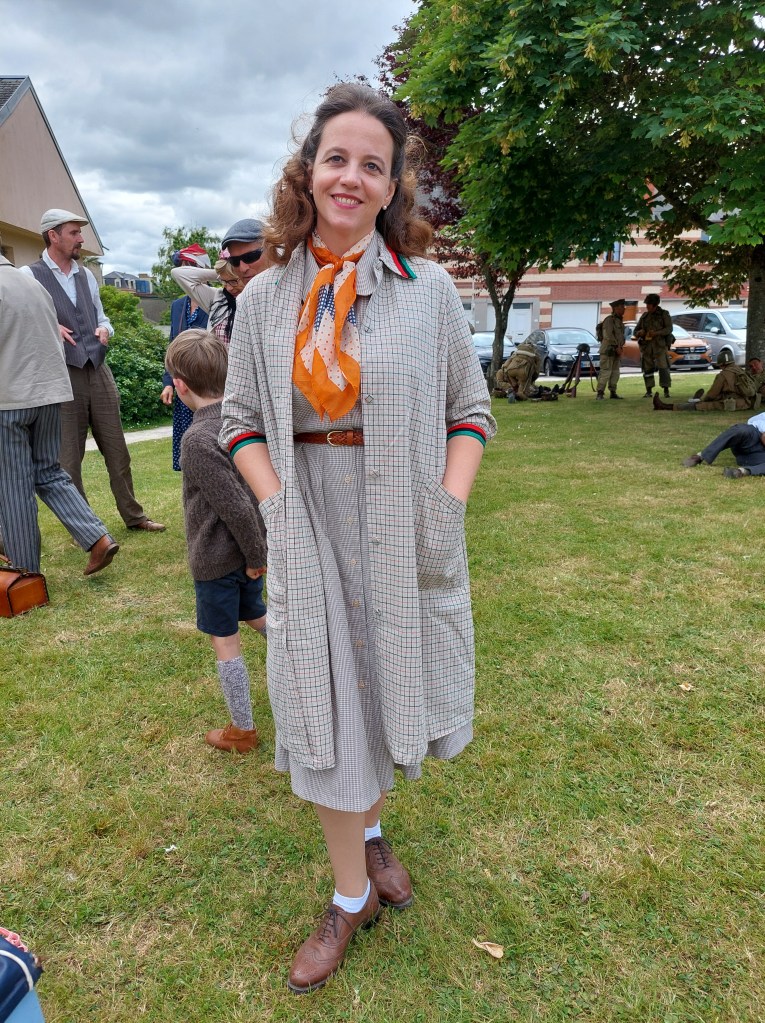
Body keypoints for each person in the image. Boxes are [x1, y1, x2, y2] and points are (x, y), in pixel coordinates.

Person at [220, 83, 496, 993]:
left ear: (390, 187)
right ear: (309, 171)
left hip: (400, 524)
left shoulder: (428, 296)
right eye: (335, 157)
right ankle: (350, 896)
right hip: (308, 527)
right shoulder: (264, 297)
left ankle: (370, 837)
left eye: (370, 164)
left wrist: (447, 502)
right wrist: (275, 506)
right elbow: (240, 419)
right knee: (325, 707)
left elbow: (470, 409)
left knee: (376, 697)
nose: (350, 176)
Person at [22, 210, 164, 532]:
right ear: (53, 236)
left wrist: (105, 330)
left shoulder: (86, 275)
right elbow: (21, 321)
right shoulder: (29, 276)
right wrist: (50, 327)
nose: (81, 239)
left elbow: (103, 318)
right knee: (69, 461)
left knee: (118, 451)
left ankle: (134, 517)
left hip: (98, 370)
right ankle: (85, 530)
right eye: (74, 233)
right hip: (61, 376)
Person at [165, 329, 267, 752]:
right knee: (260, 618)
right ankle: (318, 670)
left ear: (181, 385)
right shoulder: (243, 423)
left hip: (221, 561)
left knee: (226, 641)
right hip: (247, 558)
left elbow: (237, 506)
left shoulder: (198, 439)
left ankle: (241, 730)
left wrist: (257, 556)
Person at [0, 249, 118, 576]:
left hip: (10, 400)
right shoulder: (32, 284)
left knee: (14, 487)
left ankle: (25, 576)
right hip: (51, 394)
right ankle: (97, 538)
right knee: (48, 472)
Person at [161, 245, 211, 471]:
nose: (185, 271)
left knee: (208, 437)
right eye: (182, 267)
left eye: (191, 266)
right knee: (186, 446)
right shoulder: (178, 305)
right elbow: (173, 343)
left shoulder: (216, 299)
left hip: (209, 380)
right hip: (183, 383)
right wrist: (169, 382)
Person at [653, 350, 757, 411]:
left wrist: (703, 400)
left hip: (733, 404)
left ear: (722, 364)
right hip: (746, 402)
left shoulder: (723, 375)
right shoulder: (739, 370)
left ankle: (666, 406)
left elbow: (711, 394)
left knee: (699, 406)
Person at [682, 410, 765, 477]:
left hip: (758, 457)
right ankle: (701, 456)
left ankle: (741, 472)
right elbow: (752, 422)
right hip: (751, 440)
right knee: (742, 429)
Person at [633, 293, 673, 398]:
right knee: (647, 369)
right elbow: (635, 331)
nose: (647, 306)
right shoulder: (644, 316)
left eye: (649, 304)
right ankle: (649, 390)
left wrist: (656, 333)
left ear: (655, 304)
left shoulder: (664, 314)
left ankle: (666, 390)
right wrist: (639, 333)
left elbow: (669, 329)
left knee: (663, 368)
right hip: (647, 347)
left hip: (659, 346)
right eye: (647, 304)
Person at [596, 298, 626, 400]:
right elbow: (608, 335)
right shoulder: (609, 320)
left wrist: (620, 346)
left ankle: (613, 392)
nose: (624, 309)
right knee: (605, 372)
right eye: (622, 307)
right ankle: (600, 393)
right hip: (608, 350)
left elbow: (621, 336)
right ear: (615, 308)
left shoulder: (619, 321)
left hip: (616, 351)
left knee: (615, 372)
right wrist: (617, 346)